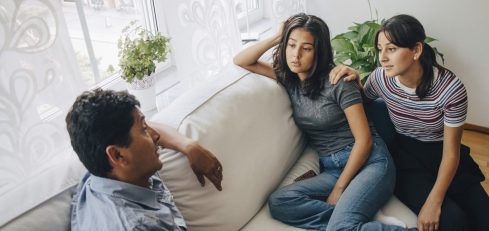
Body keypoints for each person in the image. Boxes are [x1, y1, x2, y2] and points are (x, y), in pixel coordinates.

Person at [233, 13, 415, 231]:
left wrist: (339, 188)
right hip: (332, 167)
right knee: (280, 202)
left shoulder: (338, 81)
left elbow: (364, 141)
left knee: (340, 228)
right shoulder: (289, 79)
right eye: (291, 45)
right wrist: (277, 36)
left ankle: (352, 220)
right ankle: (361, 219)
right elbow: (242, 60)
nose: (296, 55)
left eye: (306, 48)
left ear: (318, 52)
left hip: (370, 162)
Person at [330, 14, 489, 231]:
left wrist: (434, 201)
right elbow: (363, 101)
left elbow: (451, 153)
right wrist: (355, 78)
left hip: (443, 154)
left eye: (391, 49)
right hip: (405, 158)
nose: (382, 58)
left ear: (416, 50)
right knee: (453, 221)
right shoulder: (380, 78)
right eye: (380, 49)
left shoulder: (450, 90)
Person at [66, 89, 223, 231]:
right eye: (144, 129)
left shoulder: (98, 174)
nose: (156, 136)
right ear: (118, 155)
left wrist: (188, 145)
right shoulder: (138, 225)